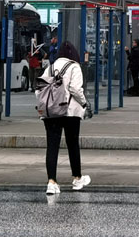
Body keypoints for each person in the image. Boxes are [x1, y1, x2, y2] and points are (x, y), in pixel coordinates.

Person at [40, 40, 91, 195]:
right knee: (72, 144)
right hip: (70, 112)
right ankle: (77, 178)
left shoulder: (50, 68)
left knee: (52, 146)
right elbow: (75, 88)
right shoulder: (74, 66)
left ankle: (51, 182)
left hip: (51, 113)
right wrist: (84, 103)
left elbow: (39, 89)